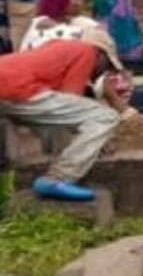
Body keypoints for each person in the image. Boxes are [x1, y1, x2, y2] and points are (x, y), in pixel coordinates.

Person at [0, 31, 124, 201]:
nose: (103, 72)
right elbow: (71, 99)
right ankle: (58, 178)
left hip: (7, 80)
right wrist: (99, 137)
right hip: (16, 87)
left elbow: (59, 111)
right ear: (100, 54)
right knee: (105, 116)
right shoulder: (87, 51)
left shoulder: (59, 47)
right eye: (107, 66)